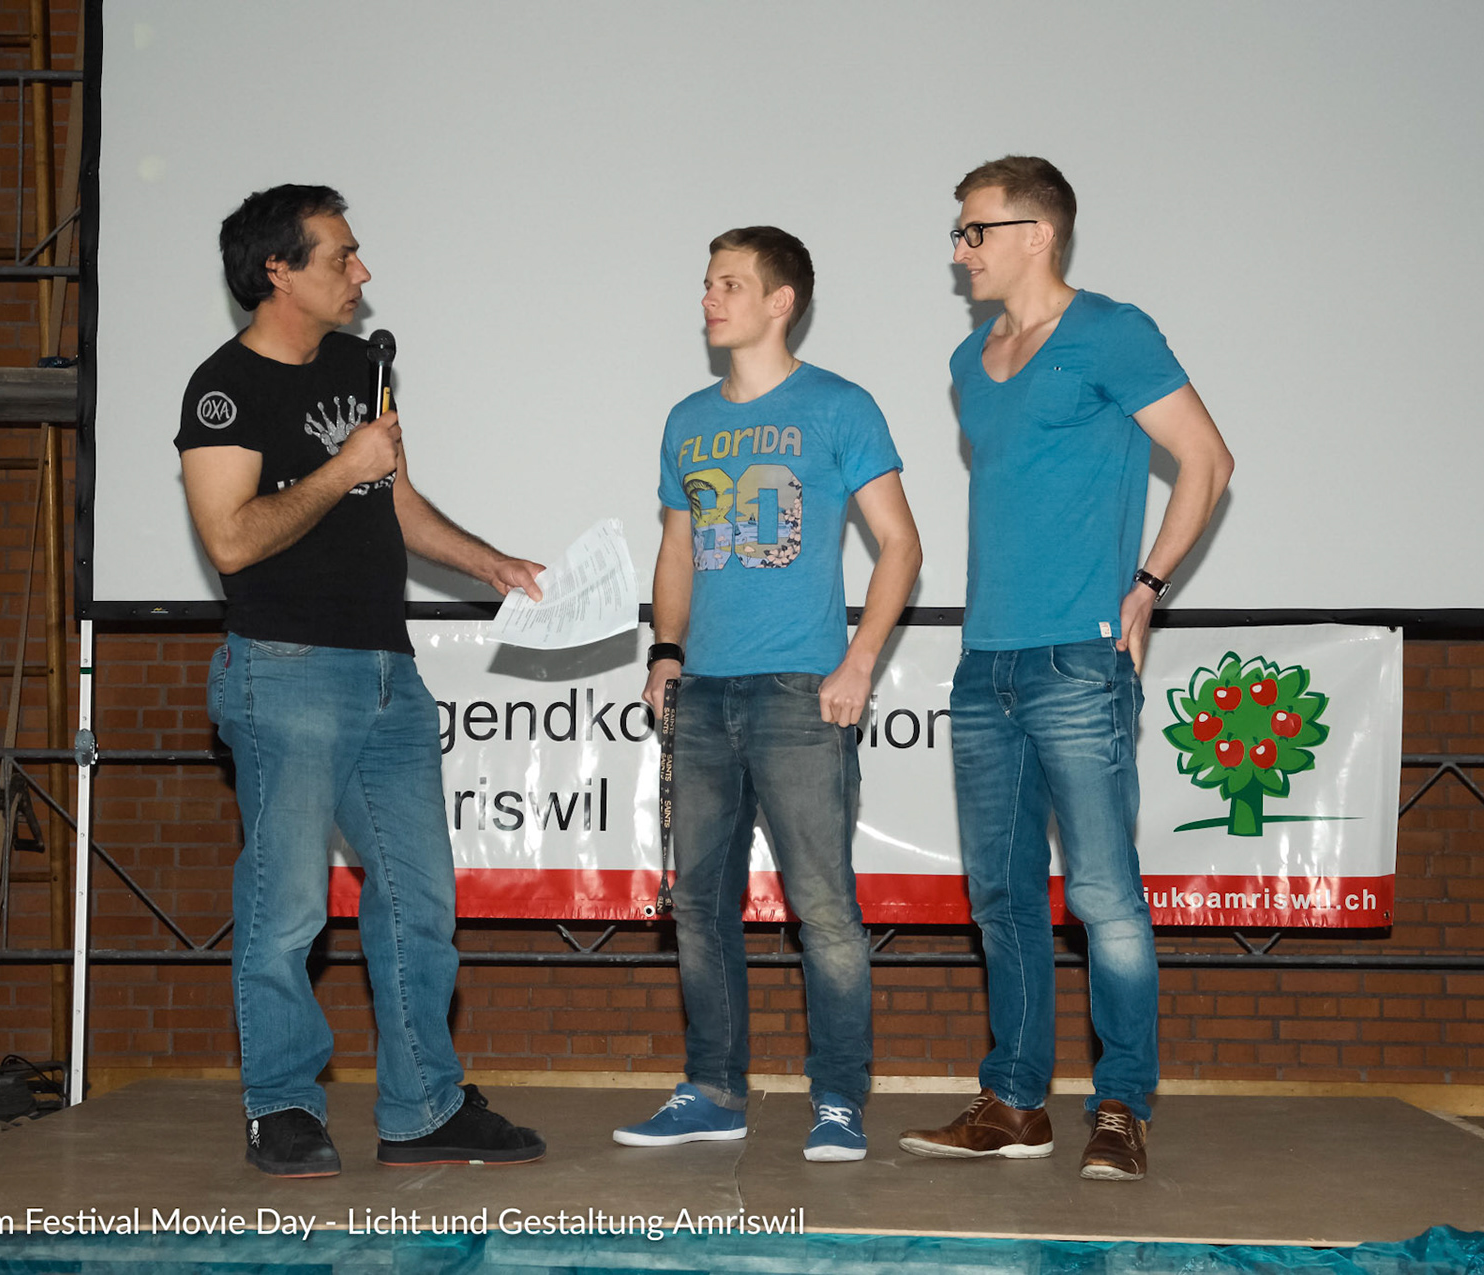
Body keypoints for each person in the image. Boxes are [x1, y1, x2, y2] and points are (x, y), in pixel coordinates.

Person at [176, 184, 549, 1178]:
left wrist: (490, 563)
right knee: (289, 906)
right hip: (284, 673)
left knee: (421, 902)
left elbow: (398, 503)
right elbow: (230, 539)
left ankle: (423, 1108)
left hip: (388, 672)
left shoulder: (359, 366)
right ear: (278, 271)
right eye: (341, 255)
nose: (362, 271)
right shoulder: (223, 389)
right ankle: (283, 1107)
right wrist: (343, 468)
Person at [898, 157, 1233, 1180]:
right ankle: (1014, 1102)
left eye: (975, 231)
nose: (961, 250)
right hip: (985, 663)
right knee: (1001, 896)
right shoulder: (969, 360)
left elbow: (1208, 460)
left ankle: (1122, 1106)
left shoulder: (1112, 333)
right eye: (958, 233)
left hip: (1080, 659)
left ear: (1036, 233)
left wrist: (1148, 584)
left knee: (1102, 894)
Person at [613, 227, 922, 1163]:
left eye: (730, 283)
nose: (709, 298)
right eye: (707, 283)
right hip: (703, 695)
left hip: (800, 695)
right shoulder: (687, 420)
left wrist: (860, 661)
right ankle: (713, 1090)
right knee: (698, 906)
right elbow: (677, 547)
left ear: (781, 301)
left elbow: (900, 544)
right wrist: (666, 651)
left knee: (822, 907)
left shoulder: (840, 405)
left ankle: (838, 1100)